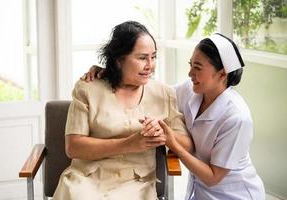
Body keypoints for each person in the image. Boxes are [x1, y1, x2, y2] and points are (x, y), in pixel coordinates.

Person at [84, 33, 265, 199]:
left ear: (222, 73)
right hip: (201, 192)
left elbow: (213, 178)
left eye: (197, 67)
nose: (190, 73)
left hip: (235, 194)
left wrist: (173, 144)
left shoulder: (237, 118)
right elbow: (156, 93)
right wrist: (110, 73)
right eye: (190, 65)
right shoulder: (191, 90)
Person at [53, 21, 191, 200]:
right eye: (142, 58)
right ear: (119, 60)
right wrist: (130, 144)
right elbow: (73, 147)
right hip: (87, 179)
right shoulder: (87, 89)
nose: (150, 65)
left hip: (136, 184)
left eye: (154, 57)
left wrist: (164, 134)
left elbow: (187, 145)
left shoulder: (165, 94)